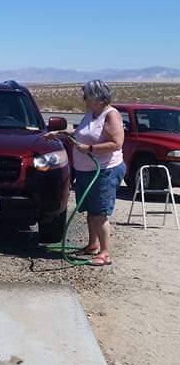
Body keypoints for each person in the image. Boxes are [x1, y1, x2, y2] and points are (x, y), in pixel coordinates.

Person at [46, 80, 125, 267]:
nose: (84, 99)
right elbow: (81, 132)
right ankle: (92, 245)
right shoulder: (91, 114)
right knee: (91, 211)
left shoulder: (111, 116)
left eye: (86, 96)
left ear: (97, 97)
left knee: (100, 213)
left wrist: (90, 148)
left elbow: (116, 143)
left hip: (104, 171)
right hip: (86, 171)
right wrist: (62, 133)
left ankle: (105, 253)